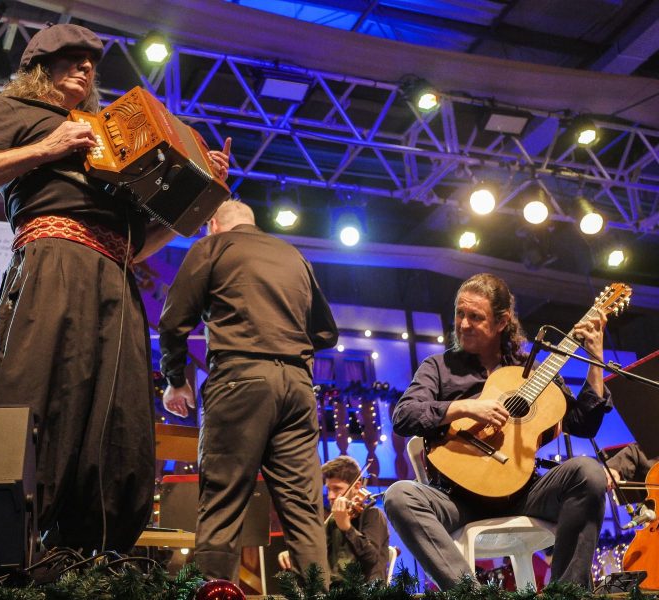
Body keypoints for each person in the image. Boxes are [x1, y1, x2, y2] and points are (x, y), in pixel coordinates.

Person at [0, 23, 230, 553]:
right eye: (70, 59)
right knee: (36, 395)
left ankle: (89, 555)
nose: (86, 68)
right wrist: (46, 148)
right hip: (53, 263)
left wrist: (203, 191)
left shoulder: (110, 136)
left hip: (115, 276)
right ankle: (6, 550)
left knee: (118, 419)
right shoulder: (14, 112)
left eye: (91, 63)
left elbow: (138, 246)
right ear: (38, 69)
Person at [384, 272, 612, 590]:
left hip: (523, 493)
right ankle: (469, 593)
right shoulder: (438, 367)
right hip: (457, 500)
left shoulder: (530, 371)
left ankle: (566, 593)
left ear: (502, 322)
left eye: (475, 317)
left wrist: (596, 360)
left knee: (589, 472)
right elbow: (404, 416)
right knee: (398, 496)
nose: (463, 324)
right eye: (459, 314)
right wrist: (464, 408)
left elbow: (584, 424)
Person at [158, 199, 338, 585]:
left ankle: (215, 595)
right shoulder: (294, 256)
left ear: (213, 225)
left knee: (223, 505)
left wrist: (175, 380)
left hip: (240, 381)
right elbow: (326, 332)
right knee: (304, 511)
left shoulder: (211, 247)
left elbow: (173, 323)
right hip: (298, 389)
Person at [278, 456, 390, 583]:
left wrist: (347, 528)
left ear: (357, 486)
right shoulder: (332, 520)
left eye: (337, 489)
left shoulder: (372, 515)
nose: (331, 496)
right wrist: (295, 555)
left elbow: (371, 558)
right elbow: (317, 552)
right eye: (329, 489)